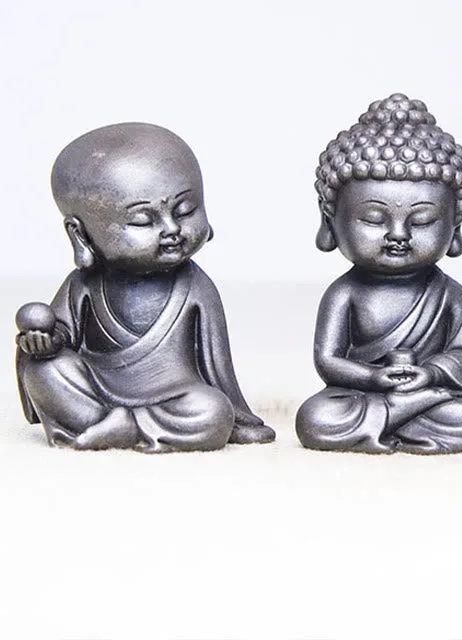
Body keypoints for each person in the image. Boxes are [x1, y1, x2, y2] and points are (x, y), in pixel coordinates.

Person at [15, 122, 275, 452]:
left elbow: (216, 366)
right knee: (44, 370)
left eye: (185, 210)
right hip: (95, 387)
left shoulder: (196, 287)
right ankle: (107, 422)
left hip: (175, 396)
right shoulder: (83, 285)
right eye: (143, 221)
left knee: (213, 411)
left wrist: (237, 419)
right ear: (80, 234)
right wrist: (44, 342)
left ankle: (124, 427)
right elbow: (63, 334)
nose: (172, 229)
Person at [296, 93, 462, 453]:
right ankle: (398, 416)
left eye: (421, 220)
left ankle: (393, 418)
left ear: (455, 226)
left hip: (429, 392)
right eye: (374, 219)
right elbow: (328, 360)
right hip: (364, 394)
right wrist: (373, 376)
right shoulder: (344, 294)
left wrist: (431, 373)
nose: (398, 235)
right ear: (330, 221)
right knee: (316, 417)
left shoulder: (451, 296)